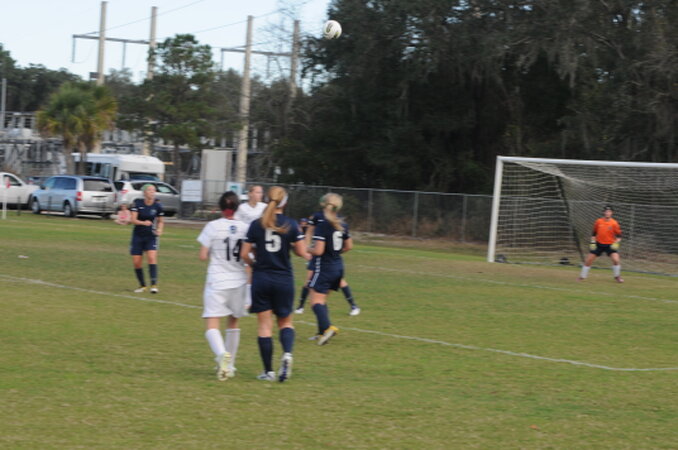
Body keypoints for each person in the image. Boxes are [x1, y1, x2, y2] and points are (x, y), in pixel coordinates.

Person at [241, 186, 308, 382]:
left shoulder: (256, 224)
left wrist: (254, 264)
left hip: (262, 278)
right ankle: (287, 354)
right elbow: (301, 251)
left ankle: (268, 371)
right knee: (285, 322)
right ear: (284, 202)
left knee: (264, 326)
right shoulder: (291, 224)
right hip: (283, 279)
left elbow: (244, 254)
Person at [197, 191, 249, 381]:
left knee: (212, 322)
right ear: (238, 207)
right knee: (233, 322)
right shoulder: (245, 228)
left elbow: (203, 256)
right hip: (239, 280)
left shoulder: (213, 226)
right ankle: (230, 365)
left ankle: (221, 355)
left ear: (220, 207)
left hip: (218, 279)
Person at [295, 208, 360, 316]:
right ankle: (301, 307)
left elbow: (310, 233)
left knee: (330, 285)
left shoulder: (330, 219)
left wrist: (306, 249)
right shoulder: (319, 216)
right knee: (311, 281)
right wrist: (307, 247)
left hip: (324, 257)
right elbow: (310, 232)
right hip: (324, 257)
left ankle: (353, 306)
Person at [307, 193, 353, 345]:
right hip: (338, 266)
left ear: (324, 204)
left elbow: (318, 251)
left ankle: (327, 328)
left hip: (324, 267)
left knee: (315, 301)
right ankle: (322, 333)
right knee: (322, 300)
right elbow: (349, 246)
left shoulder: (323, 225)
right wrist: (335, 253)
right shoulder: (342, 224)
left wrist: (307, 249)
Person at [129, 184, 164, 293]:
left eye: (154, 190)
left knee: (152, 258)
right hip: (138, 236)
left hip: (151, 236)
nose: (152, 192)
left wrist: (160, 230)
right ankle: (142, 286)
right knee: (137, 262)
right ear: (144, 192)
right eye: (149, 190)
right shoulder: (137, 203)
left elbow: (161, 221)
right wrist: (143, 223)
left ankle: (154, 285)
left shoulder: (157, 206)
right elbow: (133, 220)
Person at [578, 205, 623, 283]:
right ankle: (582, 277)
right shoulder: (598, 221)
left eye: (609, 211)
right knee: (588, 260)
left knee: (616, 260)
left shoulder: (614, 223)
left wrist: (616, 243)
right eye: (606, 211)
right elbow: (593, 234)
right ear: (603, 212)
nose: (607, 213)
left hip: (610, 245)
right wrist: (593, 242)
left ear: (612, 213)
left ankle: (617, 277)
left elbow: (619, 236)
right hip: (599, 244)